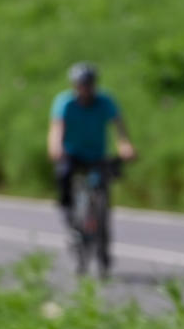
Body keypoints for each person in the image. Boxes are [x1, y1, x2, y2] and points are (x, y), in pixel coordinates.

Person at [49, 62, 136, 224]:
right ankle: (67, 207)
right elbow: (57, 128)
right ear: (75, 85)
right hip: (73, 153)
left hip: (97, 153)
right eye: (82, 84)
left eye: (89, 84)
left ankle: (101, 221)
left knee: (108, 176)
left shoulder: (105, 101)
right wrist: (56, 148)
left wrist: (125, 145)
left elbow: (119, 126)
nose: (86, 88)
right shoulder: (65, 102)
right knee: (64, 173)